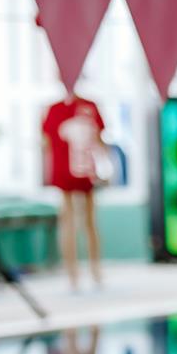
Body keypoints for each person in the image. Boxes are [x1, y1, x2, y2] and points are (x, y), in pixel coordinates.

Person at [42, 94, 108, 292]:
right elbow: (47, 142)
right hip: (66, 171)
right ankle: (73, 273)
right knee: (69, 221)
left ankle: (94, 270)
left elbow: (99, 140)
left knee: (88, 221)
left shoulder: (89, 105)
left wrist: (104, 167)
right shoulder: (55, 109)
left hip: (85, 172)